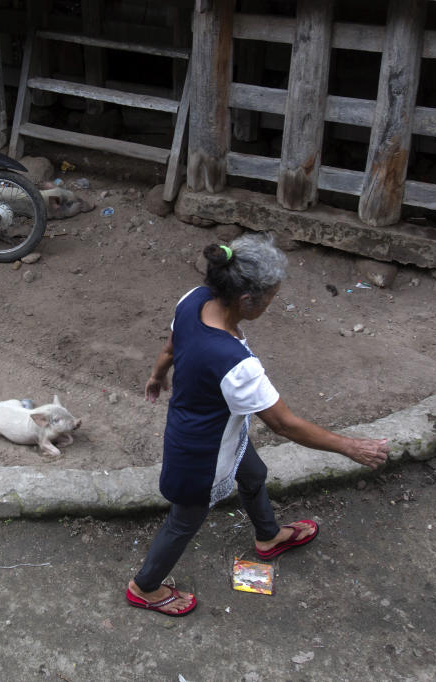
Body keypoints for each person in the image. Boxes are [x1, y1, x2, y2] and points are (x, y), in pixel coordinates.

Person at [126, 234, 390, 617]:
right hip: (200, 451)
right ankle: (143, 587)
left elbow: (170, 346)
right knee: (184, 521)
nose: (271, 305)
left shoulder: (193, 300)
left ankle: (268, 536)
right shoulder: (236, 364)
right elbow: (284, 424)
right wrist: (350, 447)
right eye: (271, 298)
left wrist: (156, 375)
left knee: (253, 473)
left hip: (218, 428)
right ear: (247, 299)